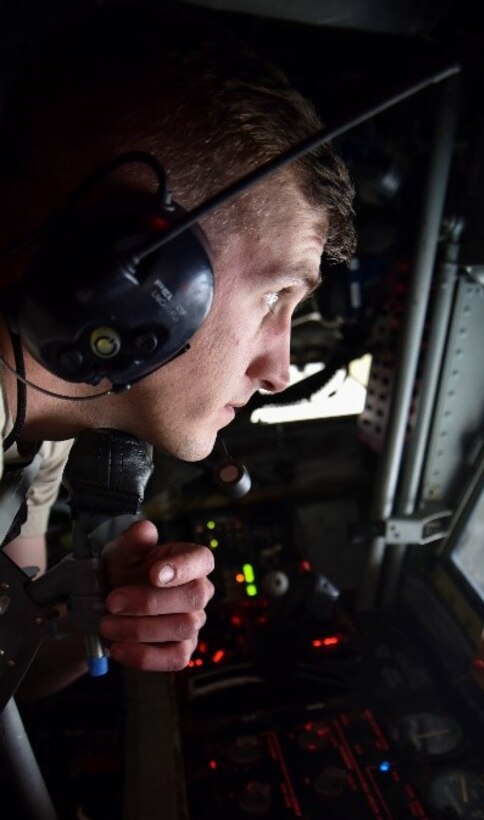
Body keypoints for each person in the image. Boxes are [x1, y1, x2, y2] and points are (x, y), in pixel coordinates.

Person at [0, 2, 355, 699]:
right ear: (133, 273)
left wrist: (97, 616)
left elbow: (15, 677)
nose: (281, 370)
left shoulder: (40, 434)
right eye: (274, 298)